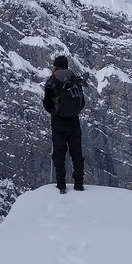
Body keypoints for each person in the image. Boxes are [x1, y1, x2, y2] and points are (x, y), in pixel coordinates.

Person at [42, 55, 86, 193]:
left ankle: (61, 186)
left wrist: (54, 111)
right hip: (74, 122)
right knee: (76, 154)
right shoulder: (74, 79)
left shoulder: (52, 81)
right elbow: (82, 103)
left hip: (58, 122)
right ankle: (78, 185)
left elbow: (47, 104)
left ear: (55, 67)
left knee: (59, 155)